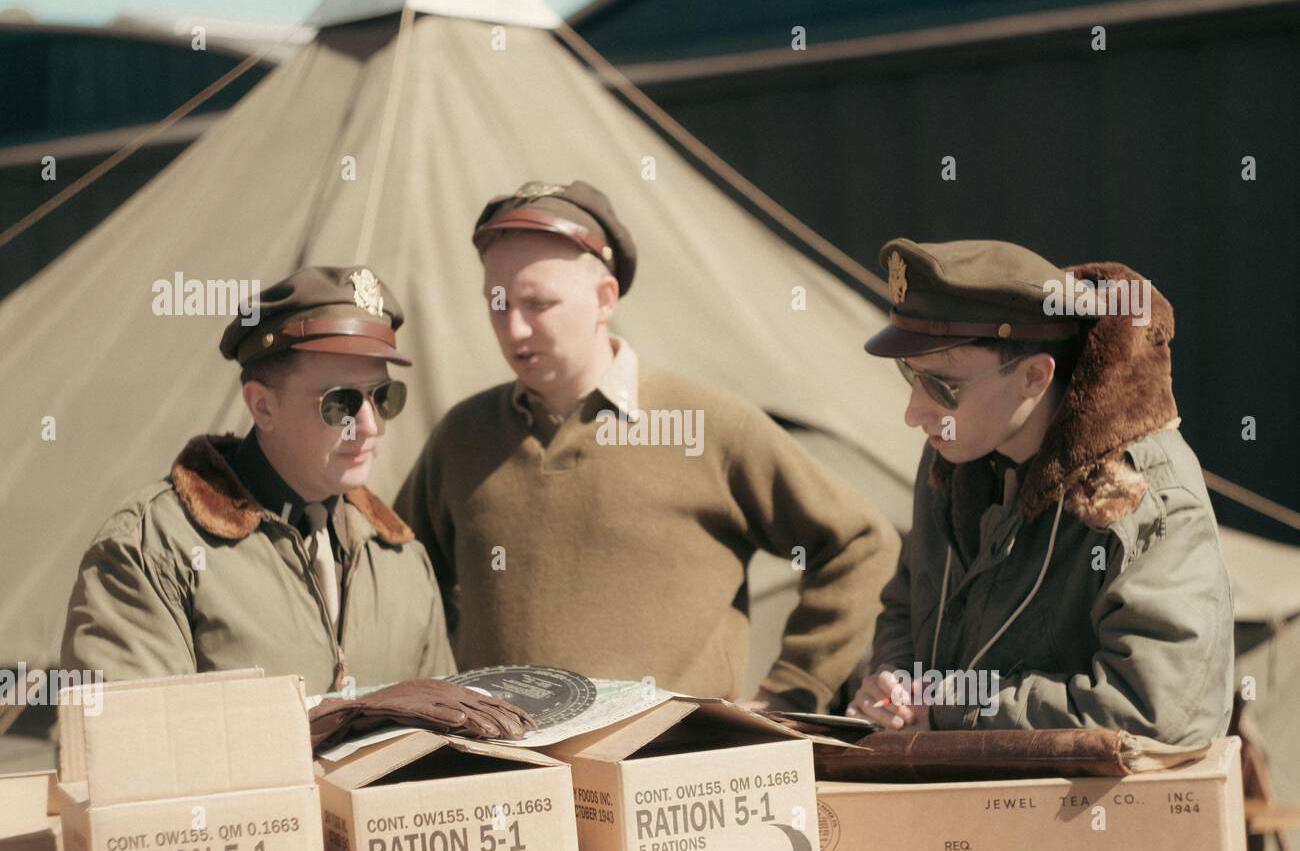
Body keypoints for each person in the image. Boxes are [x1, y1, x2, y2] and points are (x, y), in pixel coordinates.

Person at [395, 180, 899, 712]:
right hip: (515, 776)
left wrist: (792, 689)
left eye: (538, 303)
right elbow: (401, 586)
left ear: (604, 299)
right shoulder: (462, 437)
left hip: (676, 773)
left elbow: (861, 543)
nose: (514, 327)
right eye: (498, 305)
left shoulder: (707, 424)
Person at [847, 238, 1233, 746]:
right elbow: (908, 598)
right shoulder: (951, 454)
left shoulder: (1141, 493)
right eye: (909, 375)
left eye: (943, 386)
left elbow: (1156, 710)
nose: (914, 412)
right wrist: (893, 682)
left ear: (1034, 376)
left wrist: (953, 711)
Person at [62, 265, 455, 694]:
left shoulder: (400, 560)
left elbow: (445, 740)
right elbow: (136, 746)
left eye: (383, 397)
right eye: (340, 402)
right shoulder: (151, 550)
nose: (369, 425)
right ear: (263, 406)